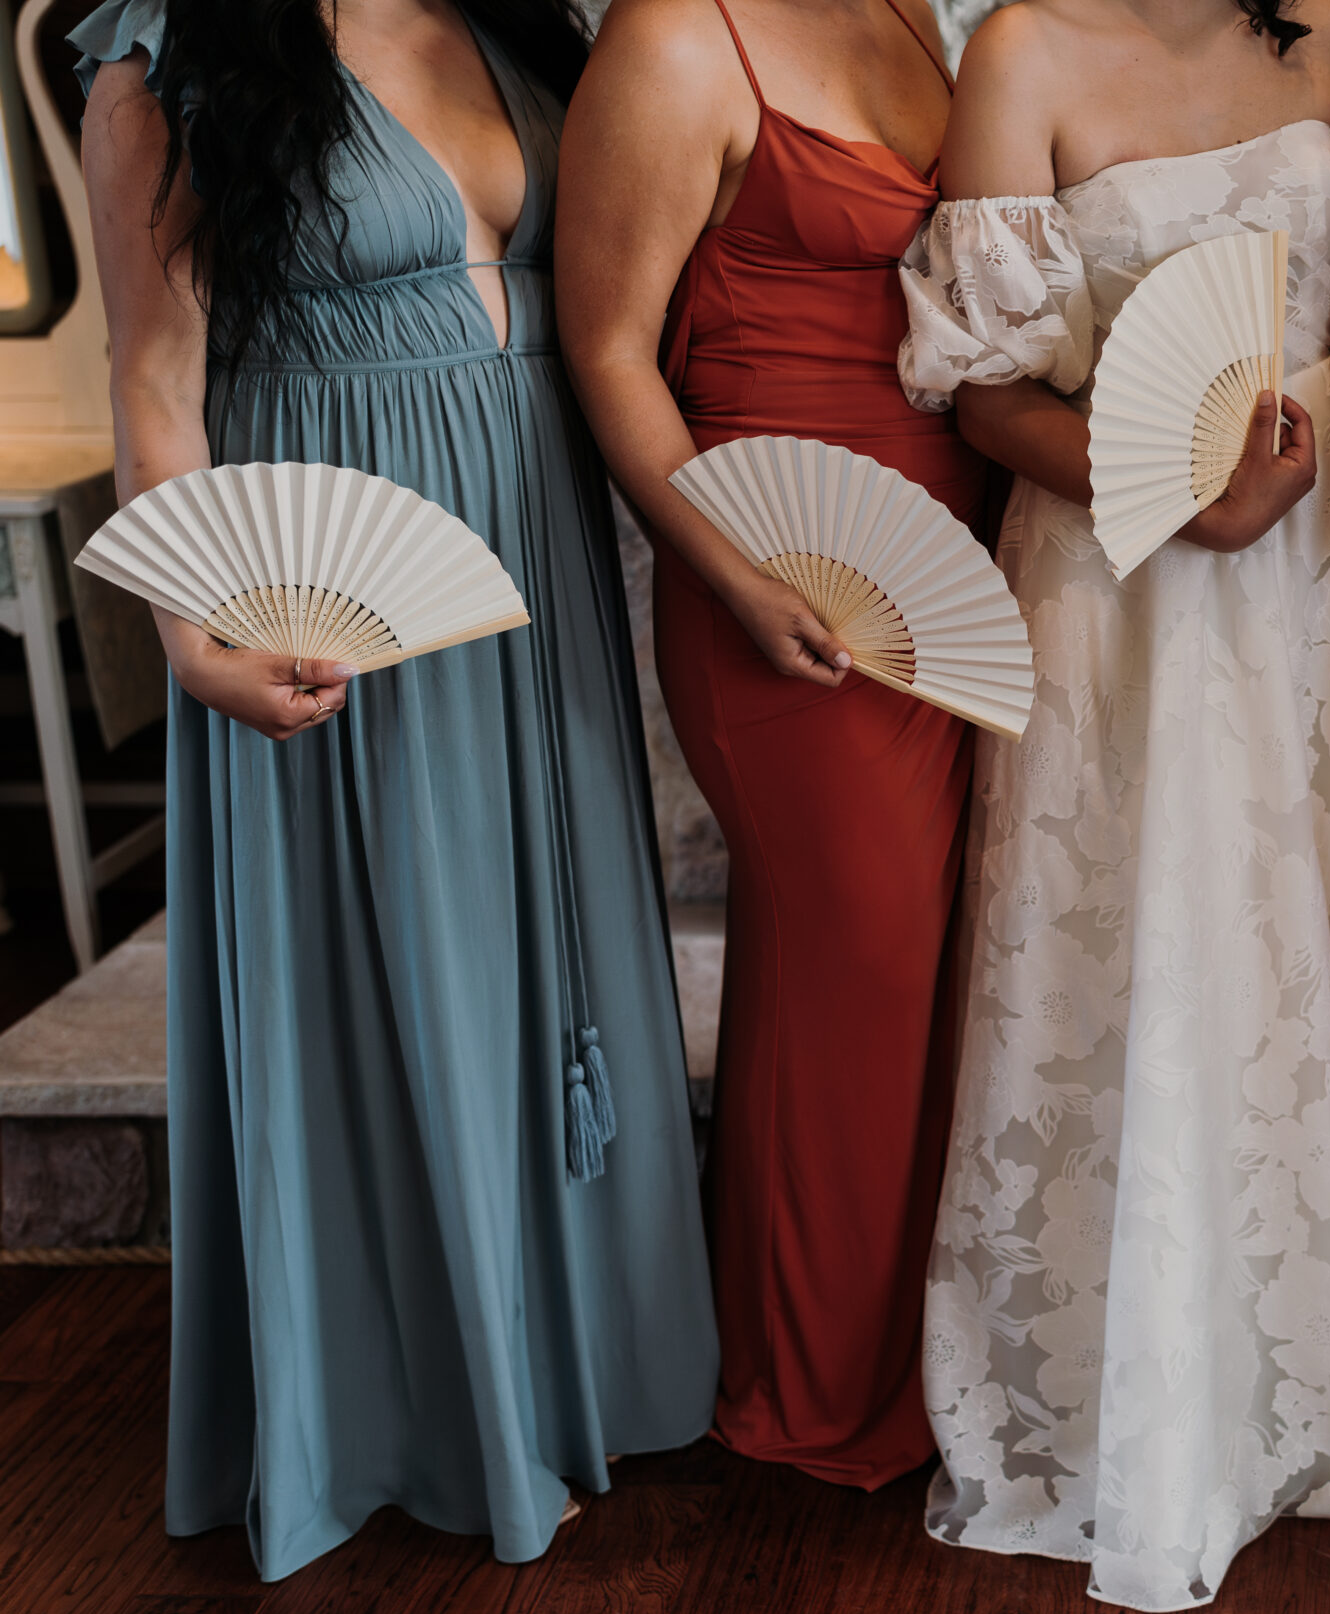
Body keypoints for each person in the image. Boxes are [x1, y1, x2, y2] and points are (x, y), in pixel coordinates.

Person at [76, 0, 719, 1580]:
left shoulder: (514, 19)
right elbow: (154, 381)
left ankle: (572, 1373)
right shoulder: (160, 62)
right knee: (397, 979)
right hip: (325, 582)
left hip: (529, 550)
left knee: (530, 960)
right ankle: (429, 1416)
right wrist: (196, 635)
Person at [898, 0, 1330, 1610]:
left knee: (1312, 971)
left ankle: (1317, 1397)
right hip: (1119, 574)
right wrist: (1178, 497)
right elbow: (980, 391)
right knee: (1127, 975)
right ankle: (1133, 1414)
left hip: (1323, 580)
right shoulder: (1020, 53)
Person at [557, 0, 979, 1489]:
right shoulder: (676, 37)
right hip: (782, 581)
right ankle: (808, 1391)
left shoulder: (909, 16)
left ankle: (916, 1361)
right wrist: (735, 574)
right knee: (856, 959)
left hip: (955, 573)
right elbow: (606, 351)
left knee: (926, 977)